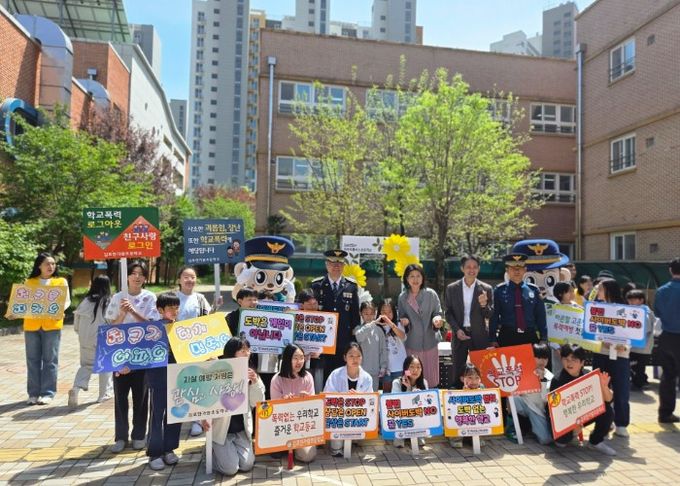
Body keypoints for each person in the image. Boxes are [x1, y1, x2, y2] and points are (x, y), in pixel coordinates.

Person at [105, 260, 160, 453]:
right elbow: (111, 327)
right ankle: (120, 436)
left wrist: (133, 311)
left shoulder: (150, 297)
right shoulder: (118, 297)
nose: (137, 277)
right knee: (120, 396)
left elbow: (152, 325)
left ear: (145, 278)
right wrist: (122, 313)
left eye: (141, 274)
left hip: (142, 354)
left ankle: (139, 435)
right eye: (133, 273)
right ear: (127, 276)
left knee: (141, 396)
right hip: (120, 353)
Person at [203, 337, 265, 476]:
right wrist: (204, 418)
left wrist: (255, 382)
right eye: (242, 350)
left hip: (241, 430)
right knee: (230, 469)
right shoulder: (218, 371)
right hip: (221, 431)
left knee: (247, 465)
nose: (247, 353)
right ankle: (210, 454)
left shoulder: (250, 373)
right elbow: (204, 399)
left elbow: (257, 402)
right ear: (232, 353)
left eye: (248, 350)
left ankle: (228, 453)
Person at [176, 265, 220, 437]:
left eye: (193, 277)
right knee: (180, 383)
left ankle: (197, 421)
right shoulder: (173, 298)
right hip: (178, 348)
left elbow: (208, 319)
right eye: (186, 277)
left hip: (197, 349)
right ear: (179, 280)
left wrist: (215, 307)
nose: (190, 280)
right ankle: (179, 418)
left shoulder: (200, 298)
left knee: (197, 384)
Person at [22, 252, 70, 405]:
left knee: (50, 360)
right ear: (39, 266)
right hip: (31, 325)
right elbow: (22, 302)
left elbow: (66, 301)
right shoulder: (29, 282)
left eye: (53, 264)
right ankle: (33, 394)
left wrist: (61, 309)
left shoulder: (61, 281)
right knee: (32, 360)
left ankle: (48, 393)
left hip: (52, 325)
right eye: (47, 264)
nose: (51, 266)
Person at [550, 344, 616, 456]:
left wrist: (604, 387)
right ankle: (568, 436)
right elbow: (556, 412)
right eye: (566, 359)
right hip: (563, 421)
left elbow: (609, 399)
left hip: (582, 416)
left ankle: (595, 442)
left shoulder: (588, 375)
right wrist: (574, 425)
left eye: (574, 360)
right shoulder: (557, 380)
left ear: (582, 363)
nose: (569, 363)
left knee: (608, 410)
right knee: (562, 442)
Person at [444, 254, 493, 389]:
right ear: (462, 268)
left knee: (480, 370)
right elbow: (448, 313)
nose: (472, 270)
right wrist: (457, 330)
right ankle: (457, 398)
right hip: (460, 333)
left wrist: (484, 305)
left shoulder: (486, 288)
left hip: (479, 334)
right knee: (458, 370)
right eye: (468, 267)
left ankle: (481, 398)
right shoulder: (452, 288)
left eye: (475, 267)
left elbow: (489, 314)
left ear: (479, 268)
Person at [146, 292, 182, 471]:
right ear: (160, 310)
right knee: (157, 415)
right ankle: (154, 453)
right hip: (158, 377)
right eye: (170, 308)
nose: (174, 311)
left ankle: (169, 448)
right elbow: (141, 353)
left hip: (178, 376)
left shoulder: (183, 329)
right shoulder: (152, 329)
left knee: (175, 413)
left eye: (177, 308)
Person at [312, 250, 361, 383]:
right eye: (332, 263)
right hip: (322, 340)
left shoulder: (351, 286)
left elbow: (355, 316)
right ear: (326, 265)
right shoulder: (317, 285)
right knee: (323, 376)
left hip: (343, 340)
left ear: (344, 266)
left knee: (342, 376)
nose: (336, 266)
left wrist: (353, 341)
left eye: (339, 263)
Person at [591, 278, 631, 438]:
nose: (598, 292)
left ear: (609, 290)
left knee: (621, 390)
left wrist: (625, 346)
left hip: (621, 355)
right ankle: (604, 422)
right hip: (601, 353)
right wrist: (601, 341)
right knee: (600, 389)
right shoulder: (595, 308)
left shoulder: (625, 309)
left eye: (600, 289)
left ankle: (621, 423)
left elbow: (633, 332)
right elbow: (590, 329)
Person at [68, 275, 113, 409]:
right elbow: (112, 322)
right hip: (102, 339)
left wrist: (82, 335)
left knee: (86, 366)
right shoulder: (108, 302)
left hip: (85, 340)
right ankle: (103, 394)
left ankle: (77, 387)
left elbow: (76, 325)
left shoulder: (85, 301)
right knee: (106, 366)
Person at [397, 264, 444, 388]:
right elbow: (401, 315)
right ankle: (408, 392)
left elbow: (437, 313)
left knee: (431, 376)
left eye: (418, 276)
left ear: (423, 278)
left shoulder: (431, 294)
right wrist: (404, 321)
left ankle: (431, 395)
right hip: (412, 342)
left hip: (430, 341)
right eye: (411, 276)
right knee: (410, 373)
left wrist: (437, 319)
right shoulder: (402, 297)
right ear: (406, 279)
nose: (415, 279)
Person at [323, 342, 373, 457]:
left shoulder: (367, 378)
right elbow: (327, 397)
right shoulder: (335, 374)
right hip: (339, 415)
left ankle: (354, 439)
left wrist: (359, 397)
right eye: (351, 356)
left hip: (357, 415)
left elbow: (371, 402)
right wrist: (345, 397)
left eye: (358, 356)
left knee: (359, 435)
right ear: (345, 357)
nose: (355, 359)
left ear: (362, 357)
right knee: (336, 445)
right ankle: (337, 445)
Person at [270, 344, 316, 463]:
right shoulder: (277, 379)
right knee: (275, 451)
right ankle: (286, 446)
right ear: (287, 359)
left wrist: (306, 399)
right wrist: (283, 401)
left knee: (308, 456)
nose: (299, 361)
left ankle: (294, 448)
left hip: (302, 425)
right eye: (295, 358)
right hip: (282, 424)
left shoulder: (308, 377)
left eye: (301, 358)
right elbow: (274, 408)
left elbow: (313, 407)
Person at [489, 254, 547, 347]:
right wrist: (492, 339)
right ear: (507, 270)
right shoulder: (499, 290)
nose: (516, 271)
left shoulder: (534, 290)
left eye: (520, 268)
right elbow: (494, 316)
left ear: (525, 269)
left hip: (529, 336)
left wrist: (544, 338)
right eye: (513, 268)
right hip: (507, 336)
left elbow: (541, 316)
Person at [654, 257, 680, 423]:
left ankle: (665, 413)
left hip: (667, 337)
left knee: (668, 376)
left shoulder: (661, 291)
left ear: (671, 270)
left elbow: (657, 313)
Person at [513, 343, 553, 445]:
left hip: (539, 411)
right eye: (538, 357)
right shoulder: (524, 371)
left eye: (545, 358)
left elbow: (544, 399)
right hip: (525, 404)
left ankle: (532, 427)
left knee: (545, 440)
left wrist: (542, 380)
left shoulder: (549, 376)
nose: (542, 361)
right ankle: (514, 427)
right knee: (512, 398)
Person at [392, 355, 428, 448]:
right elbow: (396, 405)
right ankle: (399, 436)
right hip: (402, 417)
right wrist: (408, 389)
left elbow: (427, 404)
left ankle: (419, 434)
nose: (415, 370)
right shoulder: (397, 382)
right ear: (406, 369)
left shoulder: (424, 383)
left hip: (417, 415)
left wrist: (420, 397)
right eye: (411, 367)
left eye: (418, 367)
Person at [354, 301, 388, 391]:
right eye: (366, 314)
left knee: (373, 396)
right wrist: (371, 324)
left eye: (372, 314)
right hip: (360, 371)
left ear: (375, 314)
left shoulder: (379, 330)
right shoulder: (358, 329)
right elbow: (359, 337)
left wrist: (383, 366)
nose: (369, 317)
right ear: (360, 313)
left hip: (374, 372)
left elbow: (383, 349)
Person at [626, 289, 656, 390]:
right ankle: (641, 382)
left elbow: (645, 329)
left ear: (641, 300)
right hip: (640, 347)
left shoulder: (644, 312)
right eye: (629, 300)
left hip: (641, 347)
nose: (630, 302)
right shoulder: (641, 311)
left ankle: (639, 384)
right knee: (637, 368)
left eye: (633, 300)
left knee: (637, 368)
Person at [296, 289, 325, 394]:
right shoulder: (295, 318)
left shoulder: (325, 319)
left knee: (316, 391)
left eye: (314, 304)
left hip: (317, 362)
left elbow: (329, 341)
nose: (312, 307)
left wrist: (320, 351)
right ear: (302, 305)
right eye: (309, 304)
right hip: (298, 362)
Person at [377, 298, 406, 393]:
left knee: (399, 391)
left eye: (389, 312)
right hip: (385, 367)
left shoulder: (398, 324)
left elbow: (403, 336)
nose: (387, 314)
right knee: (387, 392)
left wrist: (391, 324)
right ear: (379, 312)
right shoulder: (377, 326)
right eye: (384, 312)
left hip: (399, 366)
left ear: (394, 312)